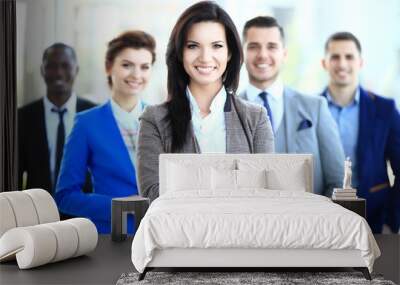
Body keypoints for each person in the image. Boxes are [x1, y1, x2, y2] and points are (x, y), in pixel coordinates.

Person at [137, 1, 274, 202]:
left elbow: (267, 192)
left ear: (229, 53)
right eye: (193, 46)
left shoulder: (256, 118)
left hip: (244, 231)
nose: (205, 57)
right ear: (180, 52)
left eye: (217, 46)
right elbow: (152, 195)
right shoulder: (154, 120)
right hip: (179, 231)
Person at [55, 31, 156, 233]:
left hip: (160, 236)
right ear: (109, 67)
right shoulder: (86, 124)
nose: (136, 75)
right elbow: (65, 196)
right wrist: (119, 206)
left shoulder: (162, 120)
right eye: (127, 65)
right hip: (112, 237)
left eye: (144, 67)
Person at [240, 16, 344, 197]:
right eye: (253, 46)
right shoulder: (226, 112)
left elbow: (337, 181)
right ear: (242, 54)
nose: (263, 55)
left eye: (272, 46)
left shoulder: (316, 108)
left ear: (284, 54)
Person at [321, 31, 400, 233]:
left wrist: (391, 222)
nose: (342, 64)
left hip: (374, 219)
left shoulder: (385, 109)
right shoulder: (311, 109)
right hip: (321, 221)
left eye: (349, 57)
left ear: (360, 63)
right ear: (324, 63)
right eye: (335, 57)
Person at [18, 43, 95, 195]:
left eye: (65, 66)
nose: (59, 73)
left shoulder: (95, 115)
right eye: (52, 66)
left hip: (85, 214)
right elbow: (14, 172)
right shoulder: (23, 117)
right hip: (38, 213)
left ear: (76, 70)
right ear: (43, 71)